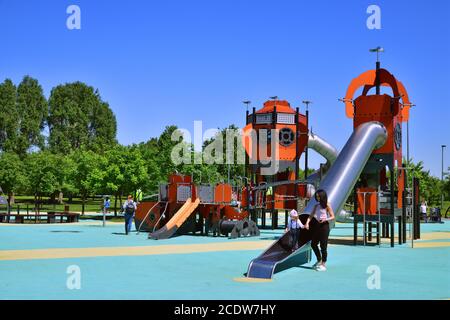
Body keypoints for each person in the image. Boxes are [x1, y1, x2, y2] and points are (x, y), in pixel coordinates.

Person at [305, 189, 335, 272]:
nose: (318, 198)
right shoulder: (316, 206)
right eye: (316, 196)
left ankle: (323, 264)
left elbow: (333, 216)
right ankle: (319, 259)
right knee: (313, 244)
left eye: (319, 196)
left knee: (323, 246)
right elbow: (311, 216)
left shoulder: (327, 205)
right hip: (317, 226)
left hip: (324, 226)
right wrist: (307, 223)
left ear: (322, 196)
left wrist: (326, 219)